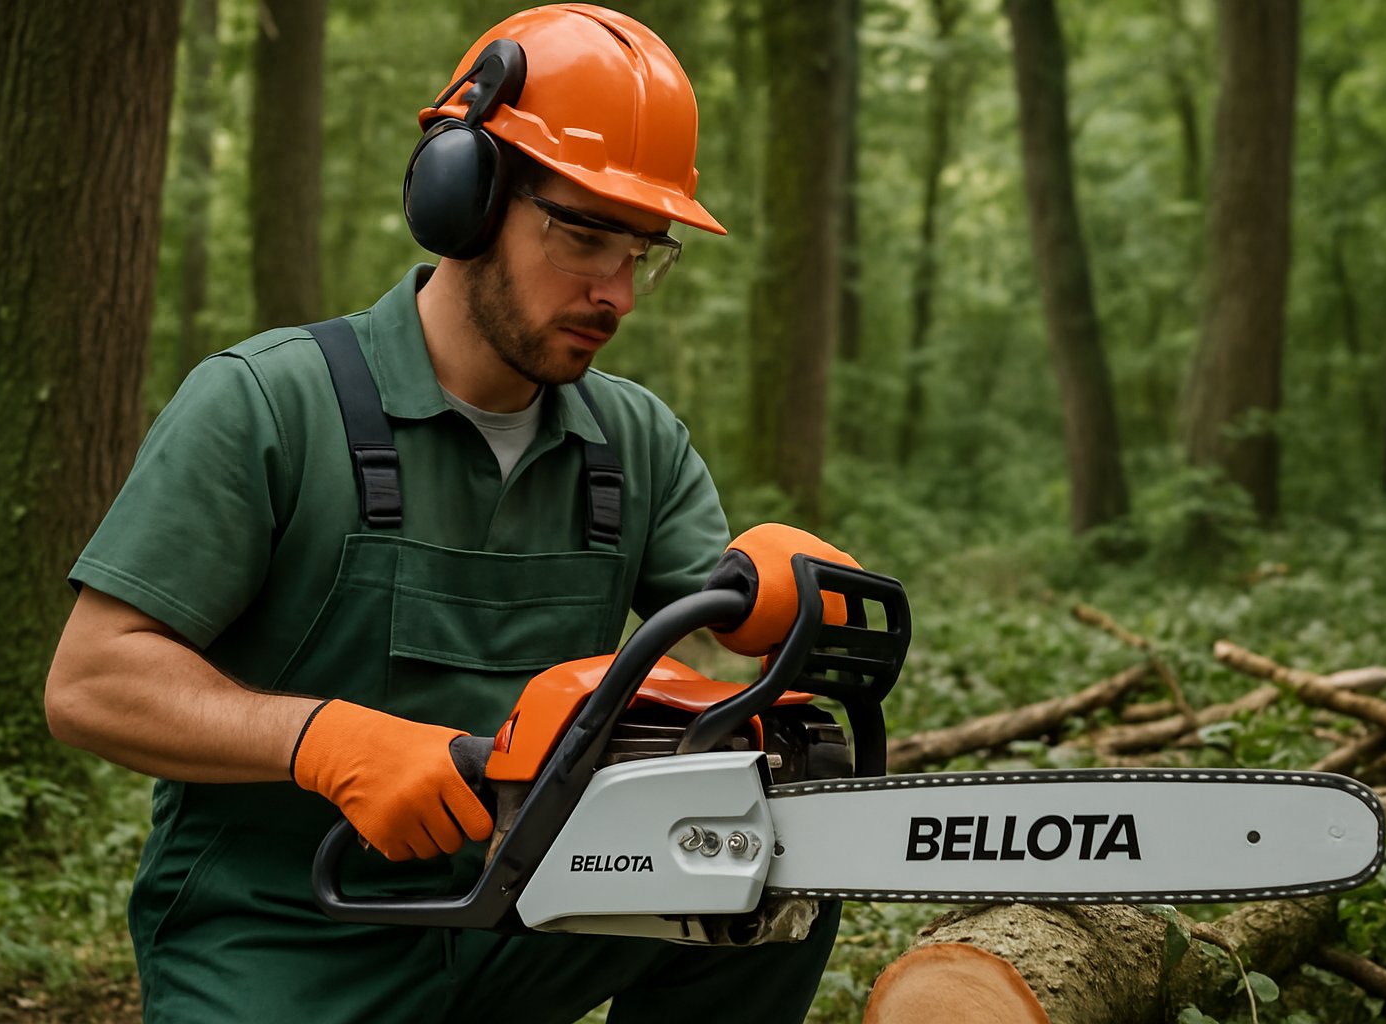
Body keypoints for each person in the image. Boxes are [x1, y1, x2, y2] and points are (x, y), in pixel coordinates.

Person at [44, 6, 840, 1021]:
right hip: (283, 934)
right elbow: (91, 680)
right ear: (463, 197)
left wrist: (786, 592)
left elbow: (722, 626)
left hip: (524, 915)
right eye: (585, 236)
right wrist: (326, 741)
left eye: (643, 251)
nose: (618, 293)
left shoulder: (631, 441)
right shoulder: (269, 403)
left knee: (769, 866)